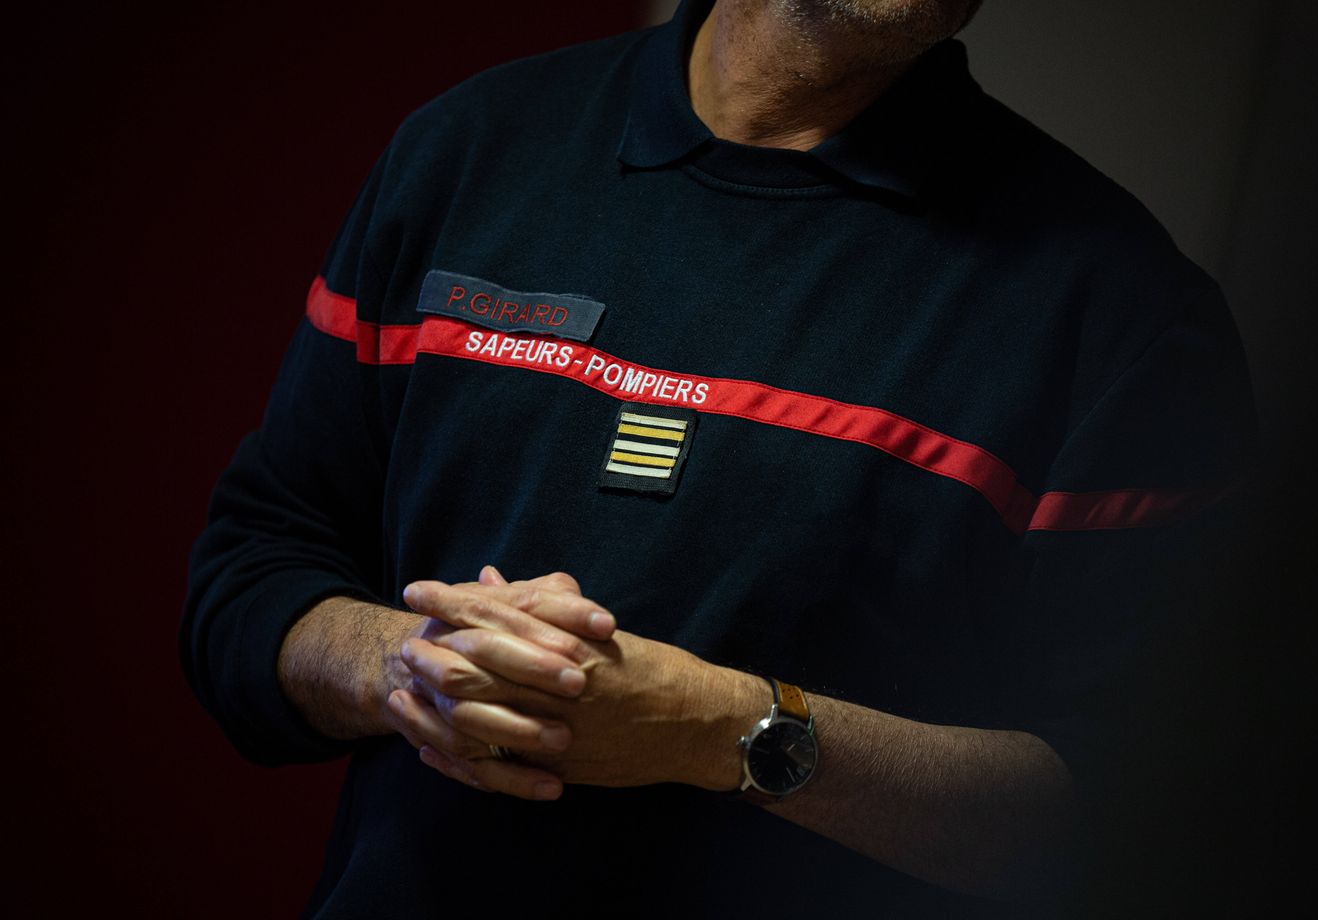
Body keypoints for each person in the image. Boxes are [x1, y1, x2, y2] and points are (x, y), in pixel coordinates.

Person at [182, 0, 1258, 915]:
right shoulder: (466, 150)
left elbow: (1125, 824)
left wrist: (722, 729)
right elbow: (252, 573)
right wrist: (403, 664)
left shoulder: (1123, 315)